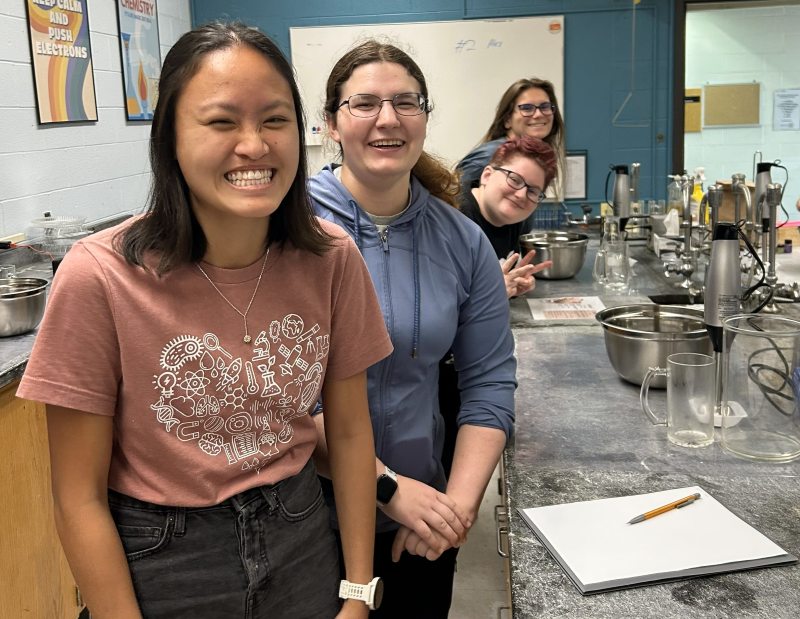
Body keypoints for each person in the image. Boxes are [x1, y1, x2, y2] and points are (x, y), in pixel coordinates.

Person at [16, 23, 393, 619]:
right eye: (221, 122)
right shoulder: (98, 277)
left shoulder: (331, 257)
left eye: (274, 120)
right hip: (162, 563)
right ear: (168, 139)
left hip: (302, 542)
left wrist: (357, 591)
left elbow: (347, 435)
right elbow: (77, 497)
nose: (254, 145)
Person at [307, 41, 517, 618]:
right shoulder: (288, 230)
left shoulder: (462, 240)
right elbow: (273, 399)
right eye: (364, 103)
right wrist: (387, 488)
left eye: (406, 102)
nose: (388, 119)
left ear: (425, 117)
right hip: (303, 525)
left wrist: (454, 508)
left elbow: (490, 386)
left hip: (422, 525)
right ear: (331, 122)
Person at [461, 135, 559, 298]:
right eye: (514, 179)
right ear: (486, 176)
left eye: (533, 191)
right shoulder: (452, 219)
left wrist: (512, 284)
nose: (521, 195)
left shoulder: (514, 219)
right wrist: (491, 293)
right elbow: (434, 305)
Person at [456, 78, 565, 188]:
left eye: (545, 107)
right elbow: (453, 202)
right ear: (507, 120)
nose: (538, 114)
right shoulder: (487, 157)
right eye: (527, 108)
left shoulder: (532, 159)